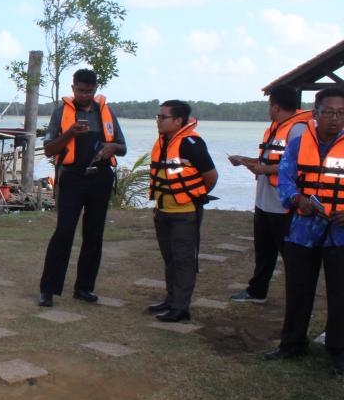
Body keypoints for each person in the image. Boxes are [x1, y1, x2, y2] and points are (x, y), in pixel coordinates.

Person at [265, 87, 344, 375]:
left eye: (340, 113)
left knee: (340, 295)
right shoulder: (298, 144)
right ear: (315, 114)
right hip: (302, 230)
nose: (334, 119)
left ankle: (338, 351)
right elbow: (285, 180)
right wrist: (298, 199)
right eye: (328, 112)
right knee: (297, 290)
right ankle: (292, 344)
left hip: (340, 233)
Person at [37, 68, 127, 307]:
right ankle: (48, 289)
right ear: (73, 87)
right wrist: (69, 134)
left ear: (95, 90)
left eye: (89, 91)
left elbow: (122, 146)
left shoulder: (106, 112)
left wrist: (112, 149)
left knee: (94, 233)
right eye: (80, 90)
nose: (85, 95)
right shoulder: (61, 113)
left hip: (101, 177)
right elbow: (48, 150)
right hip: (72, 178)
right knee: (64, 232)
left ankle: (84, 287)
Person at [228, 84, 311, 303]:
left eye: (269, 105)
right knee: (264, 250)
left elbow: (299, 166)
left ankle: (298, 298)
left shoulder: (298, 129)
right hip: (264, 201)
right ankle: (257, 291)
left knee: (290, 254)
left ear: (275, 106)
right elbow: (268, 160)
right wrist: (245, 160)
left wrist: (264, 169)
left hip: (282, 203)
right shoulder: (276, 127)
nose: (268, 109)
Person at [147, 100, 218, 322]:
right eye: (157, 117)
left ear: (178, 120)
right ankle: (171, 300)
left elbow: (211, 176)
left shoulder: (191, 144)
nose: (158, 121)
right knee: (170, 258)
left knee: (184, 259)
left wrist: (194, 196)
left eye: (162, 117)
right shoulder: (164, 142)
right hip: (163, 210)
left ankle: (181, 307)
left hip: (185, 212)